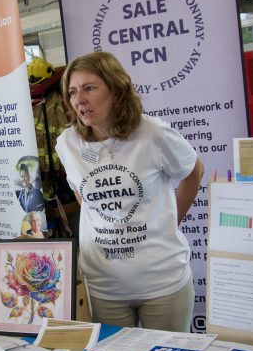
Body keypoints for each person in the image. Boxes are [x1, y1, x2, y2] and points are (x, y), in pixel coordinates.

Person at [55, 51, 204, 332]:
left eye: (89, 88)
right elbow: (81, 194)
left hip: (162, 282)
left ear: (116, 89)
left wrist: (173, 220)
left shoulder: (152, 133)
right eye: (73, 92)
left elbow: (193, 171)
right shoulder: (67, 144)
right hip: (104, 286)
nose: (79, 99)